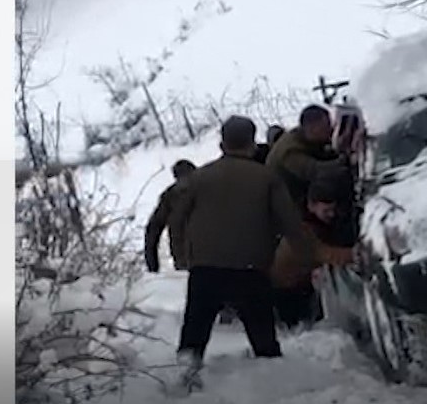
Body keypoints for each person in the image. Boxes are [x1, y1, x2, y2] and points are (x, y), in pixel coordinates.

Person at [167, 116, 318, 375]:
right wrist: (308, 258)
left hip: (205, 268)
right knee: (264, 341)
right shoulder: (267, 178)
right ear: (251, 143)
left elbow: (176, 219)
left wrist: (182, 256)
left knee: (194, 333)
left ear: (222, 143)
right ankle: (273, 386)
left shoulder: (199, 177)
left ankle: (183, 380)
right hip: (251, 269)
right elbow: (290, 223)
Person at [270, 181, 357, 329]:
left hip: (295, 285)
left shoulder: (305, 221)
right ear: (311, 205)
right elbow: (321, 253)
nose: (332, 214)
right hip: (287, 289)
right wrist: (356, 254)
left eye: (333, 210)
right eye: (326, 211)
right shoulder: (302, 229)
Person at [265, 106, 351, 211]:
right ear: (312, 128)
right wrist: (346, 159)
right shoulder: (290, 152)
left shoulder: (302, 135)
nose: (330, 130)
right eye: (326, 127)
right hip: (288, 207)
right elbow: (317, 172)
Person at [143, 159, 198, 273]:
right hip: (214, 257)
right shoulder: (210, 190)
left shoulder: (170, 195)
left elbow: (153, 230)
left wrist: (152, 265)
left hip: (183, 259)